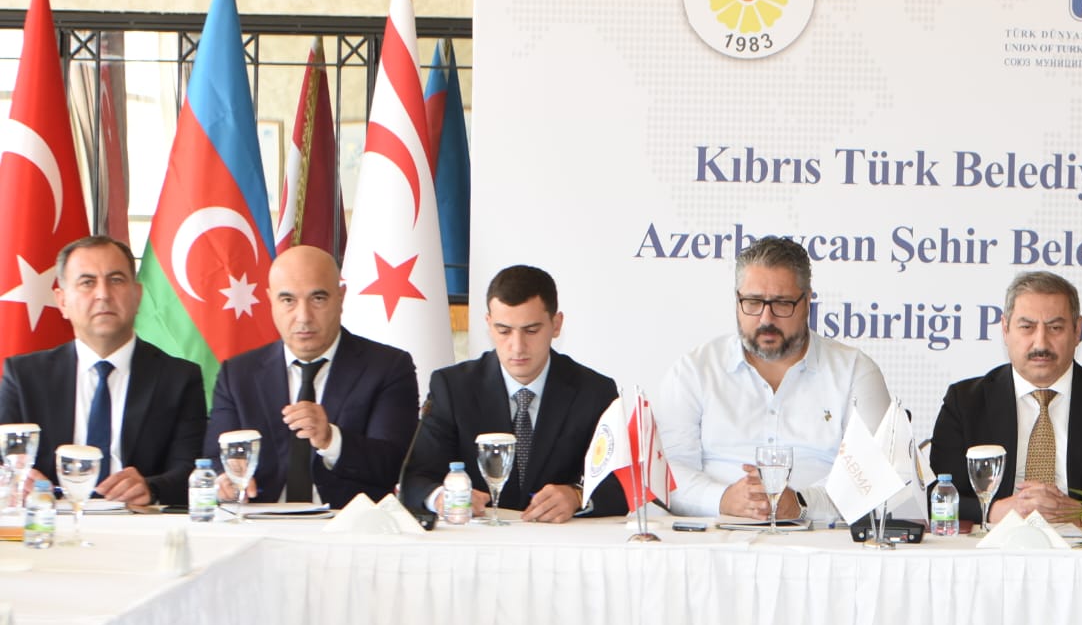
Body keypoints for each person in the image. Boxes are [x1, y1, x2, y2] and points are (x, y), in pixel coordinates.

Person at [654, 235, 897, 521]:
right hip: (714, 537)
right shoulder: (695, 370)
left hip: (820, 540)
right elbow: (666, 472)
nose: (766, 319)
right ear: (737, 300)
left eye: (782, 304)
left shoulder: (855, 372)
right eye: (753, 302)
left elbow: (871, 475)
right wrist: (722, 499)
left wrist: (802, 504)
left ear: (807, 302)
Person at [401, 265, 626, 521]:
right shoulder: (452, 387)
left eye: (531, 330)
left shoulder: (594, 391)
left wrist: (577, 496)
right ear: (488, 325)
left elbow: (622, 485)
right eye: (504, 331)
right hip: (476, 539)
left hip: (558, 541)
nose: (517, 347)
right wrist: (442, 497)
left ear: (556, 324)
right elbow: (415, 477)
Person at [930, 271, 1082, 525]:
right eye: (1027, 327)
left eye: (1055, 328)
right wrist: (993, 511)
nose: (1041, 343)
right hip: (995, 543)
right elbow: (937, 493)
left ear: (1077, 330)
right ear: (1005, 329)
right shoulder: (965, 402)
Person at [0, 234, 206, 506]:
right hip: (50, 520)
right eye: (87, 282)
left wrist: (151, 487)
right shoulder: (24, 376)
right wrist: (14, 479)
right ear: (62, 301)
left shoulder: (179, 378)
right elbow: (3, 460)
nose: (103, 294)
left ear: (137, 296)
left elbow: (192, 468)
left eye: (116, 280)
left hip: (138, 522)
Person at [206, 245, 419, 505]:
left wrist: (331, 439)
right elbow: (214, 458)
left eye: (318, 299)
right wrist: (225, 479)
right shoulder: (238, 373)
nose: (303, 317)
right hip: (260, 519)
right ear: (271, 301)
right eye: (288, 300)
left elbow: (396, 465)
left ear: (341, 297)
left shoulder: (388, 367)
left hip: (349, 521)